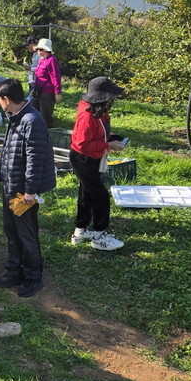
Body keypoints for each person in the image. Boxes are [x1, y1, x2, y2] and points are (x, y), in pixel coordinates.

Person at [0, 78, 56, 298]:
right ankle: (14, 271)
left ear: (6, 99)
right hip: (11, 185)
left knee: (26, 233)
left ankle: (32, 277)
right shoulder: (16, 117)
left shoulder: (32, 121)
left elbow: (35, 159)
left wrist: (30, 191)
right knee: (11, 229)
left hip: (23, 191)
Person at [69, 76, 126, 251]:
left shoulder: (98, 112)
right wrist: (107, 145)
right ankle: (99, 236)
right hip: (83, 159)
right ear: (103, 98)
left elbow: (96, 133)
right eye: (111, 98)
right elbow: (82, 144)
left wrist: (108, 138)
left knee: (86, 194)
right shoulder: (87, 116)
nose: (113, 101)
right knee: (101, 196)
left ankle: (80, 230)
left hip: (91, 158)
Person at [31, 38, 62, 128]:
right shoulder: (41, 60)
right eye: (38, 49)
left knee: (45, 116)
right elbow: (39, 72)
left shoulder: (52, 60)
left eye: (41, 49)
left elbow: (55, 76)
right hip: (38, 90)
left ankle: (48, 135)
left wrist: (57, 92)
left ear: (47, 50)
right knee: (33, 110)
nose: (38, 51)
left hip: (47, 92)